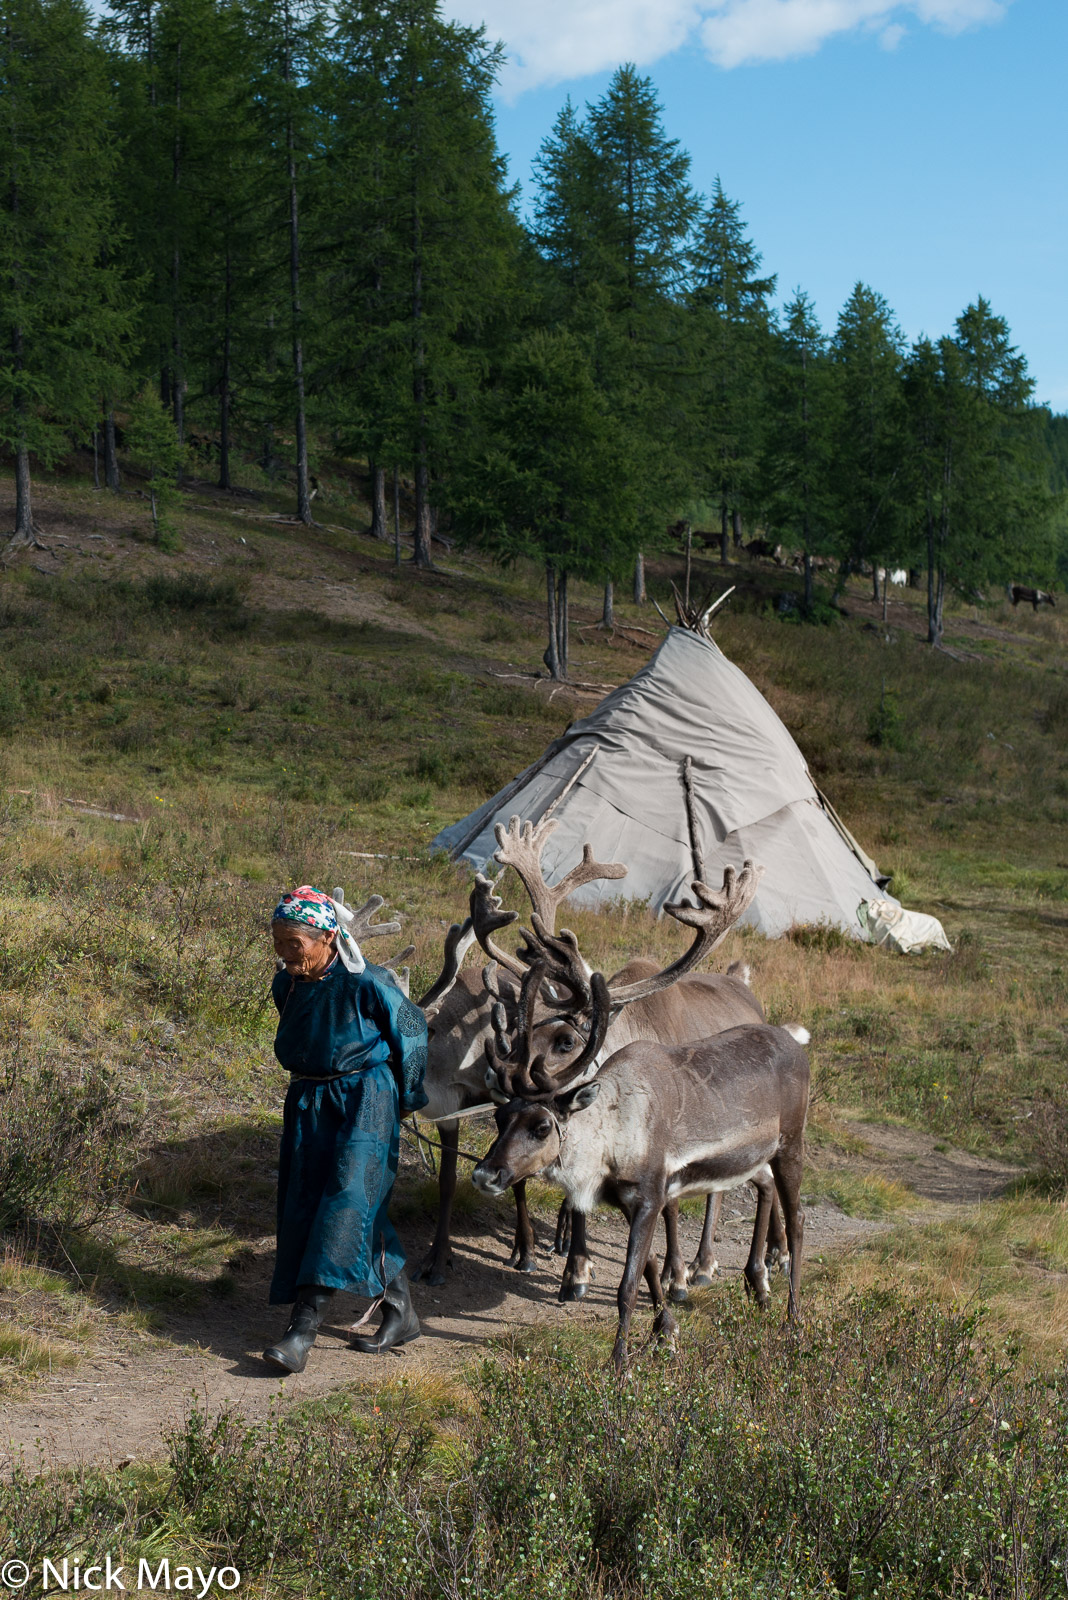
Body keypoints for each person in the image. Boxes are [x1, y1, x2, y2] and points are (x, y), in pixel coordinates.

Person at [262, 885, 428, 1373]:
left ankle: (301, 1331)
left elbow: (413, 1033)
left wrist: (404, 1098)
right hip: (310, 1101)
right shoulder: (286, 984)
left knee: (344, 1203)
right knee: (324, 1204)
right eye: (278, 941)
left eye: (295, 943)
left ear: (327, 938)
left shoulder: (370, 983)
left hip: (365, 1102)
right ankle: (402, 1312)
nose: (285, 952)